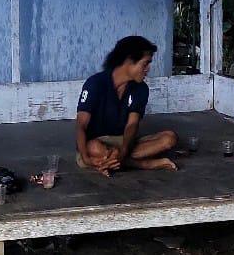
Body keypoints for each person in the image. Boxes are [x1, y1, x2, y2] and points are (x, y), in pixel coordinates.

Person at [75, 35, 179, 175]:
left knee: (169, 139)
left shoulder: (141, 89)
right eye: (145, 64)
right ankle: (144, 164)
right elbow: (81, 125)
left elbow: (132, 125)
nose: (148, 69)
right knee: (93, 148)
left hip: (124, 141)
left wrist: (123, 151)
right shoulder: (95, 84)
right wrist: (86, 158)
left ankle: (112, 162)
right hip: (96, 142)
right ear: (129, 61)